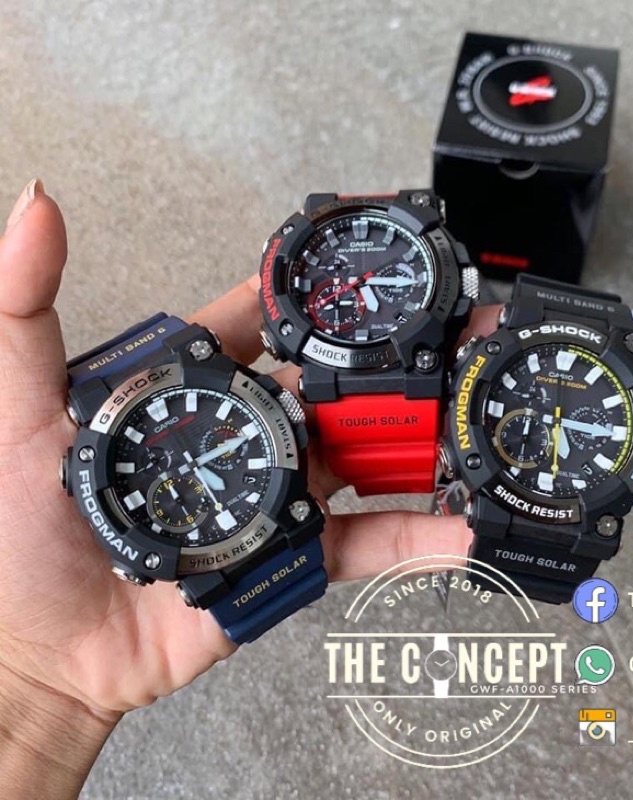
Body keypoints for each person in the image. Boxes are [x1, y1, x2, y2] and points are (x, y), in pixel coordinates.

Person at [0, 180, 496, 800]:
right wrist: (31, 679)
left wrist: (32, 685)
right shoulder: (147, 541)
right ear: (77, 474)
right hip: (214, 534)